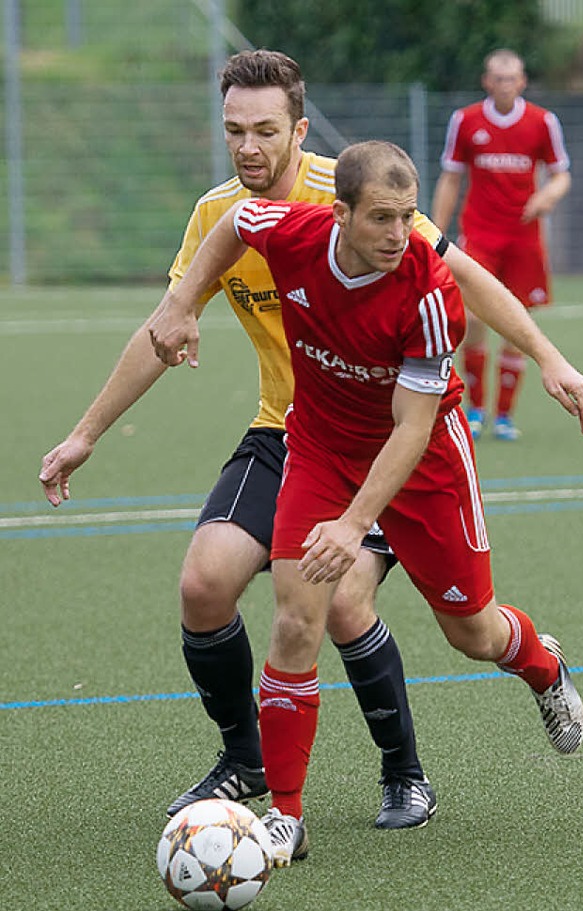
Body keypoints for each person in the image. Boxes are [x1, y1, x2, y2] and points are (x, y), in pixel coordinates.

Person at [148, 140, 583, 868]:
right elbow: (233, 227)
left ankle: (542, 665)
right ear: (339, 215)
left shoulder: (428, 291)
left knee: (473, 633)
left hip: (423, 460)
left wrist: (355, 524)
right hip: (320, 447)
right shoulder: (290, 233)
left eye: (409, 217)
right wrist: (179, 301)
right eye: (382, 219)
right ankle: (286, 817)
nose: (400, 235)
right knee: (297, 618)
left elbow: (413, 427)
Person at [39, 50, 455, 832]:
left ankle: (405, 772)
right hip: (286, 431)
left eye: (265, 130)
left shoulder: (359, 197)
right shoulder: (218, 214)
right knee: (204, 585)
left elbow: (447, 274)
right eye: (234, 131)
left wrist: (542, 354)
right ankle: (246, 757)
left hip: (377, 438)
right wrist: (83, 435)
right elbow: (164, 325)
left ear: (299, 129)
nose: (248, 147)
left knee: (341, 602)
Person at [431, 48, 572, 441]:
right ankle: (475, 409)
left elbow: (562, 175)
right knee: (475, 318)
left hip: (524, 239)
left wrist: (548, 196)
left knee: (516, 324)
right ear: (487, 81)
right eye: (498, 78)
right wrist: (436, 233)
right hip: (479, 234)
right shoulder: (466, 121)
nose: (505, 84)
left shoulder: (543, 122)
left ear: (522, 82)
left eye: (512, 78)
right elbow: (450, 178)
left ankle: (504, 416)